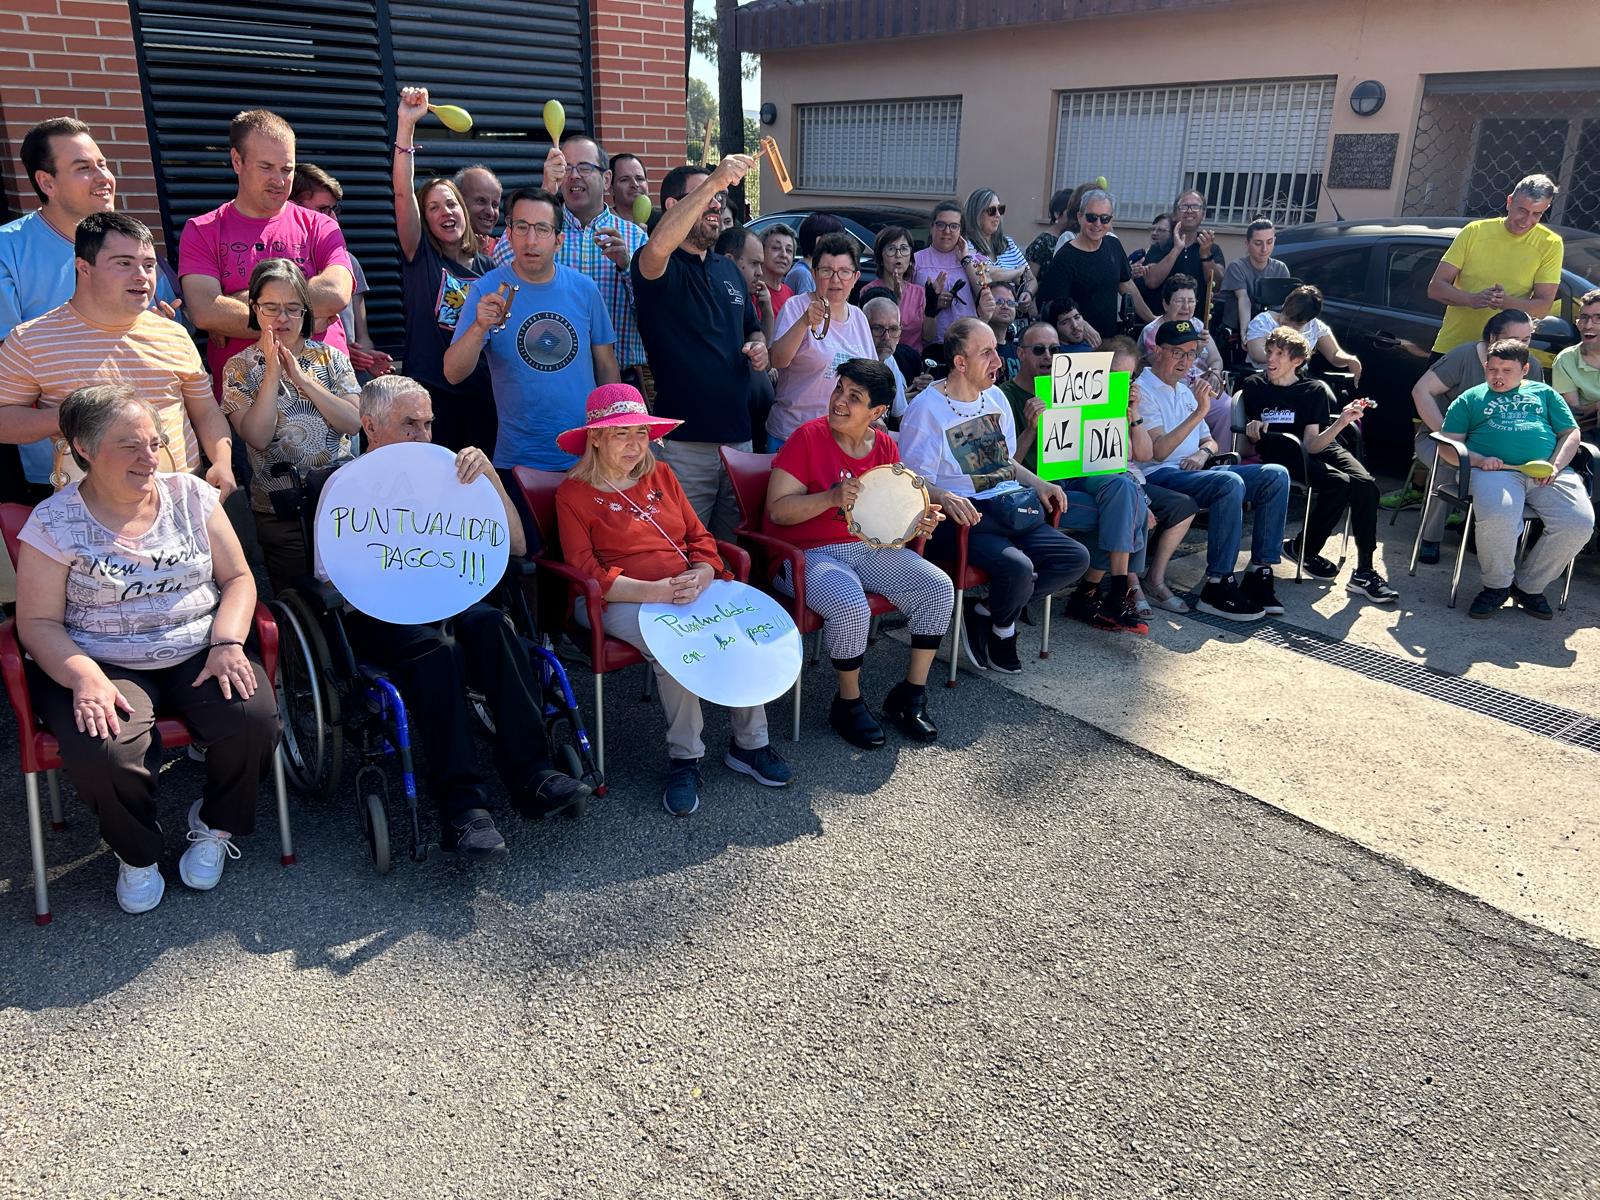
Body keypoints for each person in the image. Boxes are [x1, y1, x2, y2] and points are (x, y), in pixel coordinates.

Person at [15, 385, 278, 914]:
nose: (149, 458)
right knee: (105, 749)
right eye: (129, 445)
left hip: (199, 644)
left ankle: (214, 825)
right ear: (83, 448)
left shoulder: (190, 496)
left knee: (253, 718)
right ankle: (136, 850)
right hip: (101, 659)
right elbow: (38, 622)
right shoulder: (53, 521)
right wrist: (84, 676)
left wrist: (228, 641)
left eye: (154, 443)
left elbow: (240, 578)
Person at [318, 375, 589, 852]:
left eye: (428, 424)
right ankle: (463, 807)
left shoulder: (451, 474)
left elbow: (518, 547)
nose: (423, 436)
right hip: (380, 612)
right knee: (436, 651)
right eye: (409, 425)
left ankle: (533, 774)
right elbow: (329, 579)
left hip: (448, 595)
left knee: (491, 625)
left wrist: (489, 480)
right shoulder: (346, 485)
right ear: (370, 426)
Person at [554, 382, 789, 814]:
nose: (634, 443)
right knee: (676, 649)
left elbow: (699, 537)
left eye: (641, 433)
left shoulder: (661, 475)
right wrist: (655, 592)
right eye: (621, 433)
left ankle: (750, 745)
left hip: (685, 588)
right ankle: (686, 756)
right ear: (596, 438)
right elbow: (585, 570)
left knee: (738, 632)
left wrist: (701, 572)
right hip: (614, 600)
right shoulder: (573, 493)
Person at [766, 359, 953, 745]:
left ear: (878, 412)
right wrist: (830, 497)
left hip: (865, 549)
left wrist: (919, 522)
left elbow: (890, 518)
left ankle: (910, 695)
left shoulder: (883, 444)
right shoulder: (807, 437)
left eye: (854, 397)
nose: (839, 401)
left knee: (938, 587)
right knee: (850, 603)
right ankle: (848, 702)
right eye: (839, 390)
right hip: (802, 553)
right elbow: (777, 511)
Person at [0, 117, 179, 501]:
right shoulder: (7, 250)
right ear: (46, 182)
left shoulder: (133, 245)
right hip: (61, 474)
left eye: (102, 164)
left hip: (156, 464)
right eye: (83, 168)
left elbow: (162, 329)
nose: (103, 177)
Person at [0, 212, 235, 500]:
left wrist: (222, 462)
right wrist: (68, 418)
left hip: (183, 498)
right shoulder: (30, 340)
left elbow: (206, 410)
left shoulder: (173, 333)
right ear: (83, 268)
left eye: (148, 265)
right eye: (124, 263)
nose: (142, 276)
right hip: (90, 511)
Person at [900, 318, 1089, 673]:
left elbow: (1005, 463)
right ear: (960, 363)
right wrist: (945, 496)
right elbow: (912, 481)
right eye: (987, 353)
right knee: (1018, 569)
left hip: (1009, 507)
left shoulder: (996, 397)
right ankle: (1004, 629)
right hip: (962, 520)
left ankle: (985, 610)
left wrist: (1040, 484)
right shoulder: (925, 410)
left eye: (996, 352)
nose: (998, 362)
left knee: (1074, 558)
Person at [632, 156, 769, 539]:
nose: (716, 203)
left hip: (739, 441)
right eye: (705, 195)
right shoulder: (655, 264)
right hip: (684, 446)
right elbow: (658, 244)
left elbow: (752, 330)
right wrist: (714, 181)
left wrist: (759, 349)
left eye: (719, 196)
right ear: (673, 206)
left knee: (732, 554)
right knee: (681, 551)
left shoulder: (728, 269)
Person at [444, 186, 619, 475]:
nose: (531, 239)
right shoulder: (487, 289)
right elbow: (453, 372)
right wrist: (479, 327)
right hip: (518, 460)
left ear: (559, 240)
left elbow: (606, 366)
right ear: (509, 233)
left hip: (586, 457)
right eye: (521, 227)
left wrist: (612, 435)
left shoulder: (584, 289)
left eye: (542, 229)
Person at [178, 109, 353, 395]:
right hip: (246, 403)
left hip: (328, 398)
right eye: (266, 167)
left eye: (287, 169)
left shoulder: (320, 225)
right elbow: (205, 310)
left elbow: (335, 293)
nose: (279, 180)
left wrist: (242, 304)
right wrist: (310, 318)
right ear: (237, 161)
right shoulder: (203, 230)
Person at [998, 323, 1150, 635]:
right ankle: (1097, 593)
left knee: (1125, 488)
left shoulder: (1075, 386)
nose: (1048, 356)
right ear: (1021, 353)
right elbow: (1004, 463)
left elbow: (1105, 454)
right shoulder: (1006, 395)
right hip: (1037, 488)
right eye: (1039, 350)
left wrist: (1125, 412)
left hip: (1078, 476)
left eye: (1054, 350)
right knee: (1128, 506)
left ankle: (1116, 590)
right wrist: (1030, 428)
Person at [1135, 318, 1289, 622]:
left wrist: (1203, 452)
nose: (1185, 361)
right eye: (1177, 352)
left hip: (1193, 470)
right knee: (1228, 483)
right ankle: (1218, 584)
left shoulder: (1183, 388)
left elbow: (1209, 440)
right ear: (1157, 351)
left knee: (1275, 475)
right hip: (1158, 472)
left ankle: (1260, 572)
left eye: (1191, 354)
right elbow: (1158, 451)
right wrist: (1200, 410)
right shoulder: (1143, 390)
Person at [221, 258, 360, 593]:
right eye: (271, 307)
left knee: (352, 592)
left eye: (293, 308)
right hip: (279, 508)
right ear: (254, 308)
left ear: (305, 312)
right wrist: (272, 370)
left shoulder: (331, 358)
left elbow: (353, 423)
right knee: (300, 599)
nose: (282, 317)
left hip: (340, 504)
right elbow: (256, 435)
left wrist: (302, 379)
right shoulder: (238, 368)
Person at [1435, 339, 1593, 619]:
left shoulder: (1544, 394)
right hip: (1494, 472)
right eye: (1492, 369)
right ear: (1485, 367)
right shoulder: (1470, 398)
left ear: (1525, 369)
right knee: (1500, 514)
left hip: (1547, 471)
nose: (1498, 376)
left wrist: (1555, 466)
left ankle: (1529, 587)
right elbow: (1448, 446)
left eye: (1507, 370)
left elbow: (1571, 434)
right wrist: (1479, 460)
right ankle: (1497, 586)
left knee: (1578, 523)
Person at [1241, 327, 1398, 603]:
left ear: (1297, 361)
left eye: (1279, 354)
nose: (1271, 359)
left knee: (1367, 485)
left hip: (1318, 446)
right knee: (1339, 483)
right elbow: (1253, 434)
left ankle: (1364, 570)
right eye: (1270, 352)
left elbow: (1313, 444)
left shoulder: (1312, 390)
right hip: (1285, 451)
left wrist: (1341, 422)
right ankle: (1306, 549)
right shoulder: (1255, 385)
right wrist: (1253, 427)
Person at [392, 88, 499, 454]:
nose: (445, 212)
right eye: (434, 207)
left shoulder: (490, 268)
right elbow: (404, 193)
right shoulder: (420, 256)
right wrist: (406, 125)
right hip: (430, 399)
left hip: (484, 397)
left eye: (451, 203)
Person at [494, 133, 648, 384]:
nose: (574, 175)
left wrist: (627, 267)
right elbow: (499, 263)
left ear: (606, 179)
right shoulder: (540, 230)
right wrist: (545, 193)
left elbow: (653, 310)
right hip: (548, 379)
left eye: (585, 168)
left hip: (620, 377)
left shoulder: (634, 237)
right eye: (567, 168)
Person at [1408, 308, 1543, 561]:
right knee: (1453, 461)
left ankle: (1491, 537)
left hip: (1498, 443)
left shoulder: (1529, 366)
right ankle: (1430, 536)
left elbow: (1535, 412)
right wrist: (1447, 435)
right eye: (1515, 340)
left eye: (1526, 341)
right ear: (1493, 338)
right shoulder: (1464, 356)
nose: (1521, 346)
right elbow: (1421, 391)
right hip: (1442, 438)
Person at [1102, 336, 1198, 617]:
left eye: (1128, 377)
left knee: (1184, 506)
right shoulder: (1088, 407)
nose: (1122, 382)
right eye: (1114, 375)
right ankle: (1131, 584)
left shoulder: (1129, 405)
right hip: (1112, 482)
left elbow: (1143, 454)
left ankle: (1154, 578)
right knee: (1136, 509)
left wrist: (1133, 415)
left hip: (1135, 479)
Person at [1427, 174, 1562, 355]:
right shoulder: (1474, 231)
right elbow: (1435, 288)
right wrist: (1472, 299)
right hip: (1453, 347)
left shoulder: (1550, 243)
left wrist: (1505, 302)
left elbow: (1543, 307)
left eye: (1537, 214)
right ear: (1509, 202)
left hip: (1504, 356)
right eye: (1522, 210)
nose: (1526, 220)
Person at [768, 233, 876, 450]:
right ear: (814, 274)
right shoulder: (795, 307)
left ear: (855, 277)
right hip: (794, 434)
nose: (835, 280)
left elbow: (872, 376)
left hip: (841, 438)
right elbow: (777, 360)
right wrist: (804, 322)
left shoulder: (859, 318)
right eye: (827, 271)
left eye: (844, 272)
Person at [290, 163, 390, 380]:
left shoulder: (348, 262)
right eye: (323, 210)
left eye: (335, 210)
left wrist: (366, 358)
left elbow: (362, 335)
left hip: (346, 381)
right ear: (293, 207)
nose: (333, 220)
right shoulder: (279, 266)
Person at [1036, 189, 1153, 342]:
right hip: (1077, 345)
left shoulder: (1114, 245)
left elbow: (1126, 285)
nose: (1098, 224)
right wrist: (1082, 325)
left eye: (1104, 218)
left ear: (1111, 220)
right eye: (1092, 217)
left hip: (1109, 340)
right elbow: (1053, 303)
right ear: (1079, 217)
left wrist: (1151, 319)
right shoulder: (1065, 257)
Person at [1140, 273, 1227, 443]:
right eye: (1179, 301)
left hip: (1202, 387)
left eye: (1191, 301)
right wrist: (1196, 351)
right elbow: (1165, 370)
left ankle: (1221, 456)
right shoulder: (1153, 331)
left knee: (1228, 409)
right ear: (1166, 304)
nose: (1186, 307)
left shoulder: (1198, 325)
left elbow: (1216, 359)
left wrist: (1215, 372)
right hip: (1174, 391)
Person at [1245, 284, 1362, 384]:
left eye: (1297, 324)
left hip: (1299, 380)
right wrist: (1289, 358)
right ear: (1285, 304)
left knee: (1325, 395)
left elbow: (1334, 354)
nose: (1289, 325)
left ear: (1309, 320)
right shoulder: (1263, 322)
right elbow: (1257, 354)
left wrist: (1349, 359)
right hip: (1267, 379)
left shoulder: (1315, 326)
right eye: (1287, 317)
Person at [912, 201, 991, 345]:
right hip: (930, 342)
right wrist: (932, 302)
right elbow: (909, 303)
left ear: (961, 231)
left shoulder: (973, 260)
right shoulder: (916, 260)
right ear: (931, 228)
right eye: (941, 224)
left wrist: (965, 260)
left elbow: (985, 296)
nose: (947, 231)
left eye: (954, 226)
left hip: (967, 341)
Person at [1139, 190, 1225, 320]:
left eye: (1196, 207)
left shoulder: (1212, 248)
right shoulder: (1160, 246)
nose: (1189, 211)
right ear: (1174, 214)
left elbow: (1216, 285)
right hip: (1160, 328)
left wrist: (1206, 255)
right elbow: (1151, 282)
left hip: (1196, 328)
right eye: (1184, 206)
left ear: (1203, 214)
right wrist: (1177, 249)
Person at [863, 225, 933, 352]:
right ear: (881, 258)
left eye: (904, 249)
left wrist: (933, 305)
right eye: (891, 249)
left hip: (912, 360)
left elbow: (928, 337)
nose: (898, 255)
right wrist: (895, 300)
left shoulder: (919, 292)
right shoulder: (869, 291)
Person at [963, 187, 1033, 312]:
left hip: (1013, 316)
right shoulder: (966, 245)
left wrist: (1028, 293)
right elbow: (984, 273)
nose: (997, 215)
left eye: (1000, 209)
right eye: (991, 210)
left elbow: (1031, 278)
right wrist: (1017, 272)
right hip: (984, 317)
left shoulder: (1008, 243)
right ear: (976, 214)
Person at [864, 296, 930, 423]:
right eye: (878, 328)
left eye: (893, 329)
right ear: (863, 328)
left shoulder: (889, 360)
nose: (886, 337)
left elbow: (902, 416)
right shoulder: (854, 363)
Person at [1221, 218, 1288, 334]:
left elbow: (1285, 305)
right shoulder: (1237, 267)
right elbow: (1243, 299)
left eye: (1269, 242)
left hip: (1270, 330)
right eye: (1258, 243)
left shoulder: (1280, 268)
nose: (1264, 249)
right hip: (1238, 329)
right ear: (1247, 243)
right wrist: (1245, 332)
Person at [1552, 287, 1600, 440]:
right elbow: (1572, 415)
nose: (1588, 326)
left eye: (1598, 318)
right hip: (1589, 434)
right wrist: (1597, 406)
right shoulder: (1566, 360)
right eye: (1584, 318)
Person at [717, 225, 776, 339]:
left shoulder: (746, 298)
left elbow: (763, 349)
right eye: (754, 263)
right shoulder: (713, 295)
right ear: (729, 261)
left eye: (761, 265)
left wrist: (767, 311)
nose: (760, 273)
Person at [1025, 188, 1075, 282]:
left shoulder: (1074, 238)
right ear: (1057, 213)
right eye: (1070, 212)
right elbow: (1029, 279)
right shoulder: (1042, 243)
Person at [786, 213, 843, 295]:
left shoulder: (810, 270)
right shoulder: (803, 274)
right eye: (835, 240)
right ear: (819, 241)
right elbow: (807, 306)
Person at [1128, 212, 1171, 315]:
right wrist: (1129, 275)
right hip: (1137, 317)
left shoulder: (1173, 258)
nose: (1154, 233)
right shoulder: (1137, 255)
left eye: (1160, 230)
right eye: (1153, 229)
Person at [455, 164, 504, 252]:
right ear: (459, 200)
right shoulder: (438, 251)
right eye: (481, 201)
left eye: (495, 205)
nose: (491, 212)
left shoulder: (502, 252)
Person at [986, 280, 1021, 383]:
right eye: (999, 302)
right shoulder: (977, 349)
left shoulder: (1018, 352)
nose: (1005, 306)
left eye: (1010, 303)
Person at [759, 223, 799, 314]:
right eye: (776, 248)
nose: (784, 255)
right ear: (761, 251)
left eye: (789, 250)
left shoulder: (789, 293)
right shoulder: (753, 291)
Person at [608, 153, 650, 225]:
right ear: (610, 188)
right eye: (625, 180)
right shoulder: (602, 226)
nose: (635, 185)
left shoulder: (661, 223)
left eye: (640, 179)